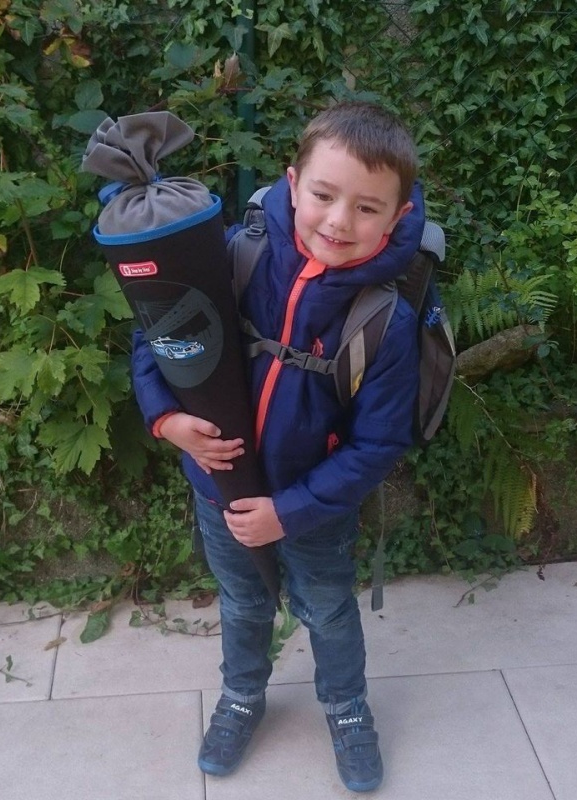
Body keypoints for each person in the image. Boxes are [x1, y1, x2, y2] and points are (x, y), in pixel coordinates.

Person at [131, 101, 424, 793]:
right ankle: (241, 696)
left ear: (397, 216)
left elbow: (378, 443)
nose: (338, 221)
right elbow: (158, 335)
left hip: (313, 508)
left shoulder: (384, 319)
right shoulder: (236, 256)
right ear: (292, 184)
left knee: (327, 608)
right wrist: (165, 420)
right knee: (241, 602)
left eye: (366, 208)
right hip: (220, 490)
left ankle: (346, 708)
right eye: (323, 195)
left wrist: (287, 513)